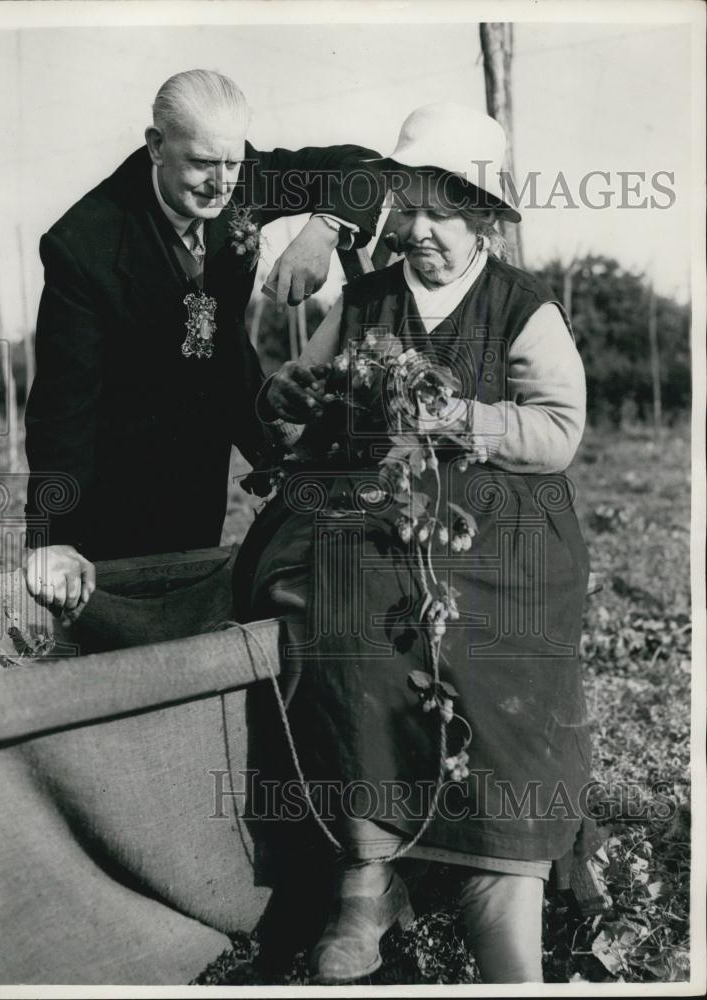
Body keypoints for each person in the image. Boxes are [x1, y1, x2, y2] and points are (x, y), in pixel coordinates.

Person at [234, 101, 603, 984]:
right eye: (413, 210)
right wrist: (291, 400)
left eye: (447, 212)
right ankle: (366, 871)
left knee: (492, 638)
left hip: (497, 517)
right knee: (346, 609)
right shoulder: (364, 299)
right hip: (373, 510)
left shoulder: (521, 307)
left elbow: (557, 429)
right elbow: (309, 386)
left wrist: (462, 417)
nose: (424, 231)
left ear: (480, 215)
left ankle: (497, 869)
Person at [23, 69, 381, 623]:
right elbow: (61, 409)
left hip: (203, 457)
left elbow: (363, 168)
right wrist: (53, 536)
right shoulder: (84, 245)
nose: (221, 184)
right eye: (201, 164)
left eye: (232, 163)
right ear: (156, 146)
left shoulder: (241, 176)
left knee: (192, 615)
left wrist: (324, 229)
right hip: (116, 479)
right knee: (124, 636)